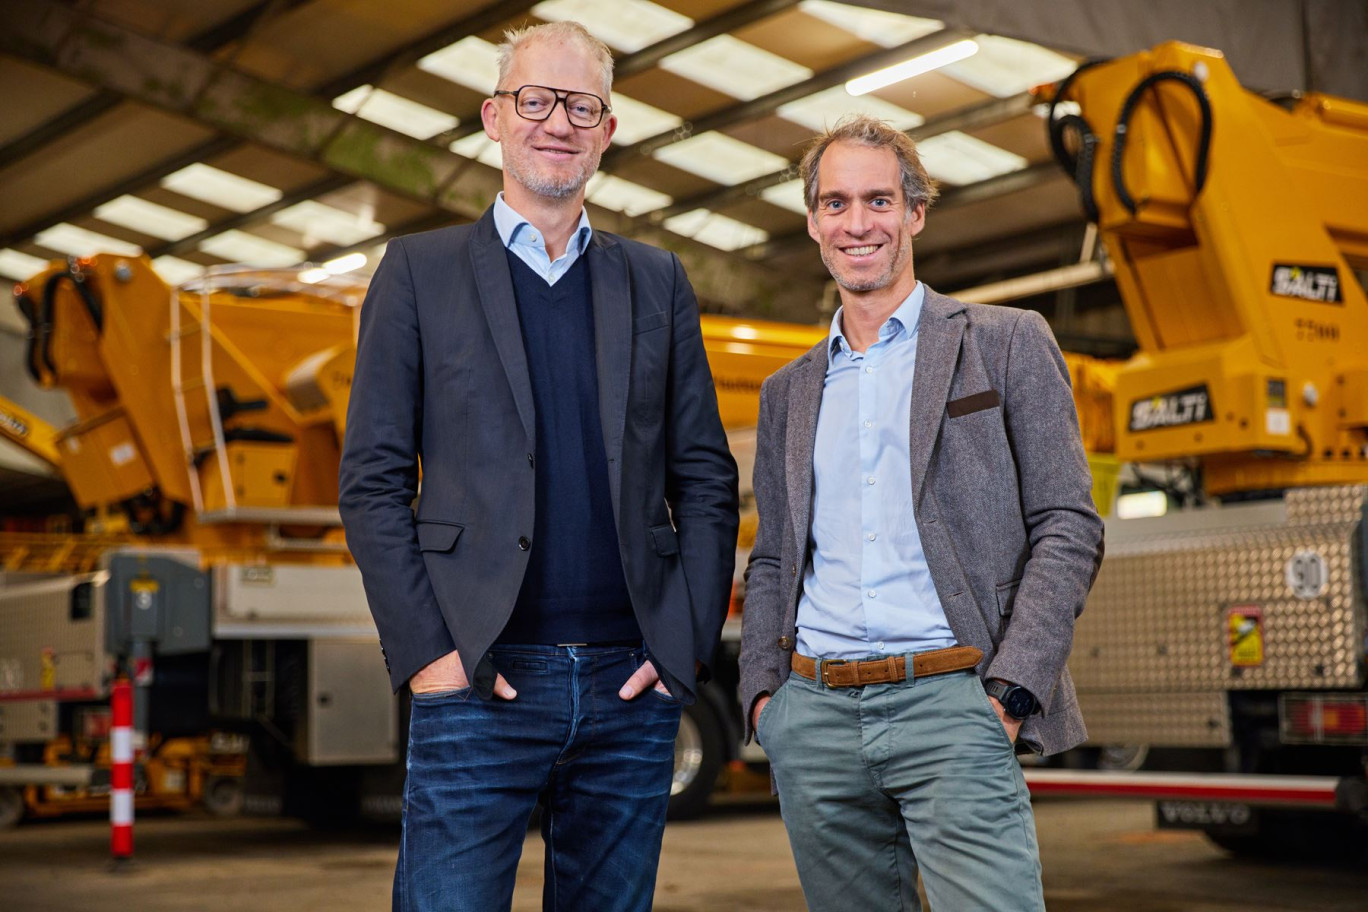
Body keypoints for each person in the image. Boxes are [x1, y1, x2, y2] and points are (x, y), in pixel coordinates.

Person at [338, 21, 738, 912]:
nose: (557, 120)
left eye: (581, 104)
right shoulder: (417, 272)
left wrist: (681, 652)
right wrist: (431, 658)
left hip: (629, 687)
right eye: (536, 99)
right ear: (494, 117)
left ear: (609, 128)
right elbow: (369, 479)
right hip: (478, 678)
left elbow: (706, 478)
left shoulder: (657, 280)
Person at [738, 115, 1104, 912]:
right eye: (836, 203)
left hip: (956, 703)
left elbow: (1068, 524)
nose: (857, 222)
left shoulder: (1005, 342)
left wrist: (1008, 695)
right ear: (812, 221)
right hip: (817, 716)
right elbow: (773, 555)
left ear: (915, 212)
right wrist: (768, 701)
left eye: (879, 200)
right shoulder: (788, 392)